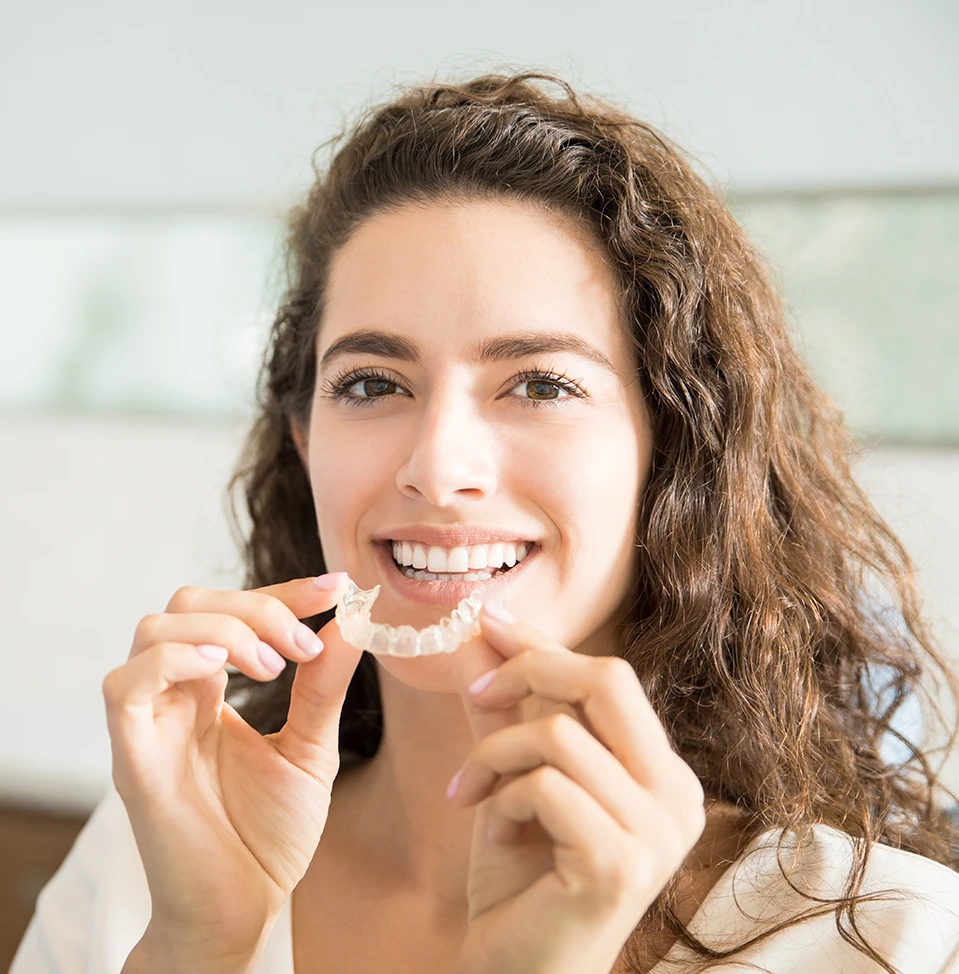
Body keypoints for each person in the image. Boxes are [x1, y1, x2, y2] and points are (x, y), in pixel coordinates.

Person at [12, 71, 959, 974]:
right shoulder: (153, 857)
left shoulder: (891, 940)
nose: (436, 467)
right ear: (304, 444)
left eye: (540, 384)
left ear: (673, 454)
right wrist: (194, 950)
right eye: (372, 383)